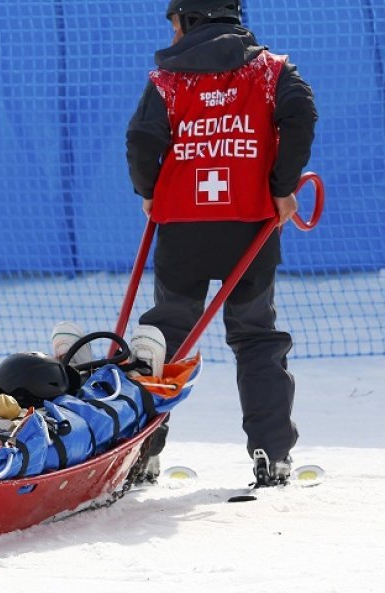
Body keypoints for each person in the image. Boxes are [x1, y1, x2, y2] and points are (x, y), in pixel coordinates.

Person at [125, 0, 317, 486]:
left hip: (184, 226)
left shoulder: (167, 81)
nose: (172, 39)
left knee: (164, 340)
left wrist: (148, 194)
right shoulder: (273, 71)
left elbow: (142, 139)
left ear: (191, 20)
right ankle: (272, 455)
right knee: (255, 336)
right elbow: (302, 115)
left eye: (174, 26)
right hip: (249, 224)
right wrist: (282, 186)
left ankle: (142, 455)